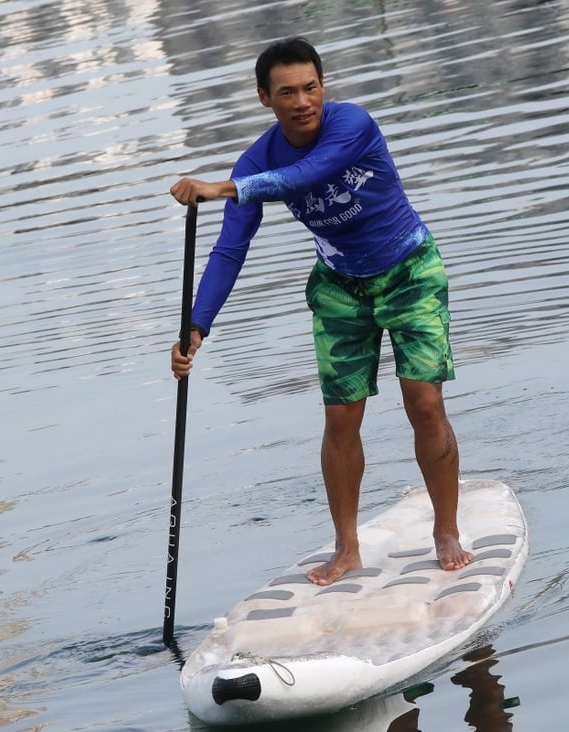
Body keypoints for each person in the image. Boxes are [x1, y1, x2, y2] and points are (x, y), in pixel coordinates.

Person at [169, 36, 472, 585]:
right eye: (287, 92)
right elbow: (231, 248)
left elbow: (304, 177)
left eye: (311, 87)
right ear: (265, 98)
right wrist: (197, 325)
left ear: (323, 87)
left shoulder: (352, 124)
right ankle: (347, 547)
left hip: (410, 271)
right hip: (338, 287)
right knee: (339, 417)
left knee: (423, 402)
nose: (303, 101)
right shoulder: (257, 161)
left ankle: (446, 530)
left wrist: (225, 187)